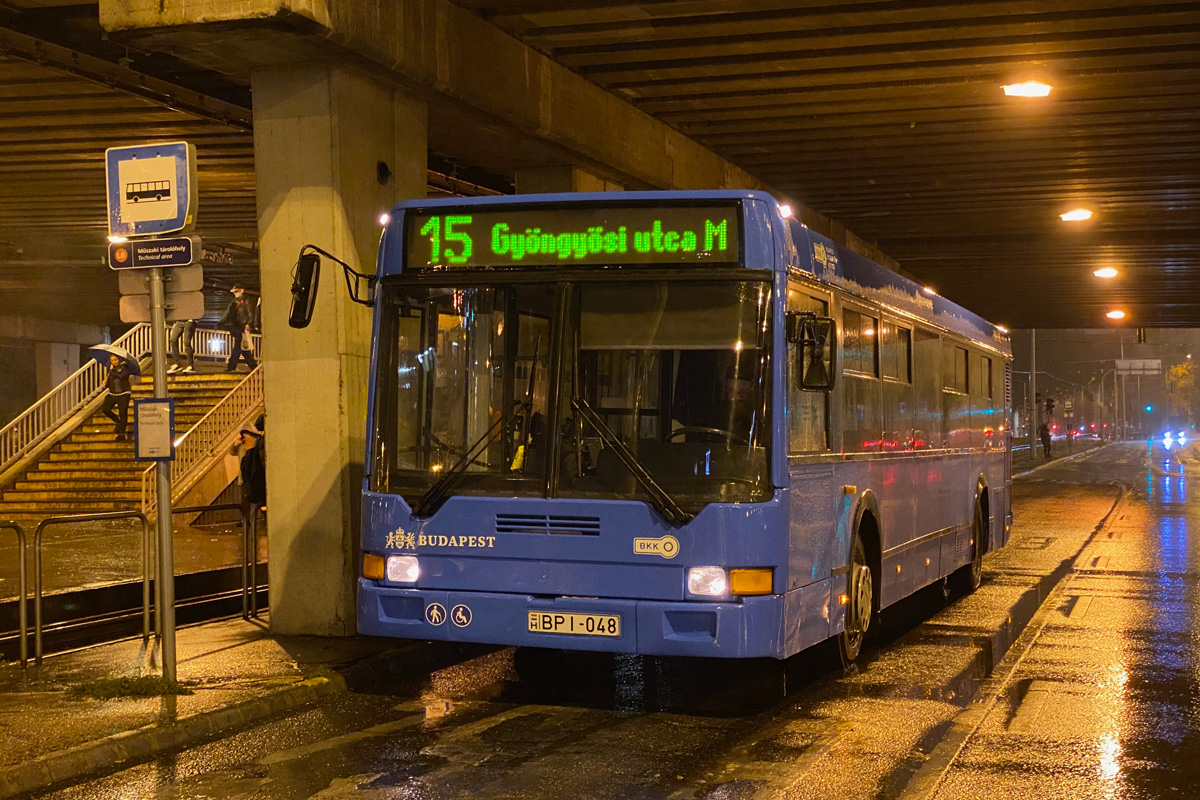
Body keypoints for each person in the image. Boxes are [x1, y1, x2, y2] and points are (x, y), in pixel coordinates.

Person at [220, 286, 258, 372]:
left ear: (241, 291)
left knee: (239, 347)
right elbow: (227, 314)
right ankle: (253, 367)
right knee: (242, 349)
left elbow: (250, 314)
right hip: (238, 327)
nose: (235, 293)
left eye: (236, 291)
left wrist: (248, 324)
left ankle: (232, 367)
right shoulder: (235, 302)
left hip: (241, 327)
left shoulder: (244, 301)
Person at [100, 354, 135, 440]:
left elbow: (121, 376)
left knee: (123, 413)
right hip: (113, 393)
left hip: (123, 393)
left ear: (119, 359)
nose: (114, 362)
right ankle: (118, 421)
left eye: (115, 360)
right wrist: (105, 383)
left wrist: (112, 371)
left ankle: (121, 434)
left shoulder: (125, 367)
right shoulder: (111, 369)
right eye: (112, 360)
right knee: (105, 409)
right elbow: (112, 381)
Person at [237, 423, 267, 507]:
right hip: (244, 477)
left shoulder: (256, 442)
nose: (245, 435)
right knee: (245, 502)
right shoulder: (241, 445)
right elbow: (232, 452)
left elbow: (252, 460)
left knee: (255, 503)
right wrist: (237, 443)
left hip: (254, 477)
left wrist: (249, 447)